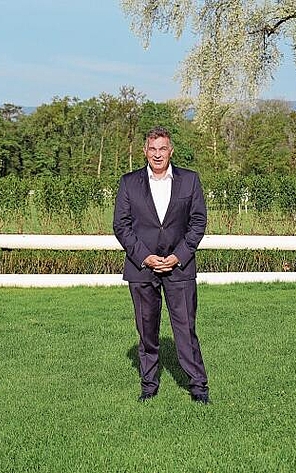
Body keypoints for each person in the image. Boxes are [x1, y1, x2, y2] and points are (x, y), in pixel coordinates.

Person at [113, 126, 210, 404]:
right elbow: (121, 225)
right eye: (152, 149)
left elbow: (198, 222)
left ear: (171, 151)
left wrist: (179, 255)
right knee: (146, 331)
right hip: (141, 268)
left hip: (180, 268)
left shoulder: (189, 181)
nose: (157, 154)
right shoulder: (129, 182)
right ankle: (149, 386)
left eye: (163, 149)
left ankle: (199, 388)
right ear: (145, 151)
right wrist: (144, 256)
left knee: (185, 330)